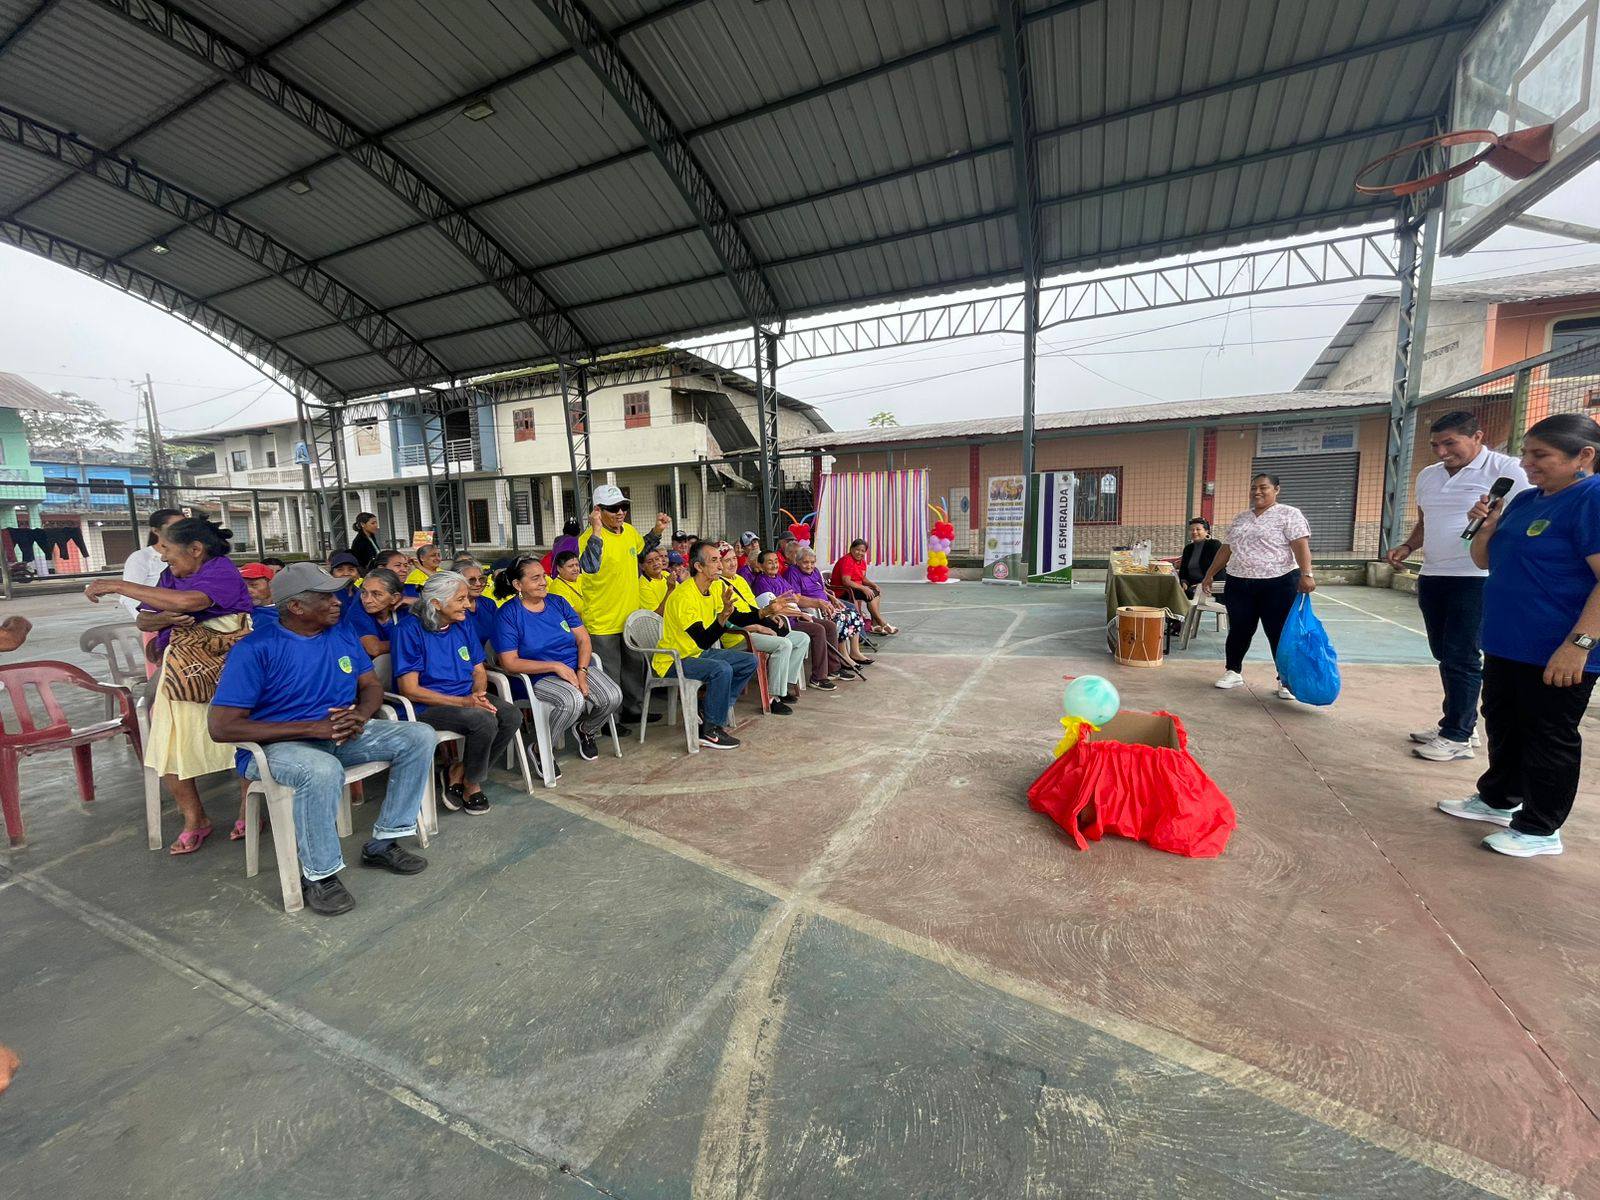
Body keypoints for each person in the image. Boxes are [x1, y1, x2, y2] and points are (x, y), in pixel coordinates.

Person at [209, 562, 435, 915]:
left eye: (337, 595)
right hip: (278, 748)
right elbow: (222, 727)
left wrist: (361, 715)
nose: (338, 602)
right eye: (326, 596)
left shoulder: (341, 635)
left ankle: (385, 841)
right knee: (322, 770)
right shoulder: (256, 649)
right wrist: (311, 728)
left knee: (419, 736)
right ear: (296, 606)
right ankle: (320, 875)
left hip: (340, 735)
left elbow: (370, 685)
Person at [1438, 413, 1600, 858]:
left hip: (1557, 648)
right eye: (1526, 453)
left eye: (1540, 455)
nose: (1527, 463)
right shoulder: (1527, 500)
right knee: (1504, 722)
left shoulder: (1591, 498)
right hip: (1508, 640)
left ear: (1584, 456)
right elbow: (1483, 560)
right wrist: (1487, 527)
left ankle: (1541, 828)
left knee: (1548, 734)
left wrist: (1578, 645)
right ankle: (1498, 799)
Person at [85, 517, 252, 854]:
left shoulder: (221, 570)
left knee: (245, 736)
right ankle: (195, 819)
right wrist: (162, 618)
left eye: (169, 551)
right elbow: (145, 618)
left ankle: (250, 810)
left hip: (231, 665)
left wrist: (118, 586)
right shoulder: (169, 576)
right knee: (166, 740)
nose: (163, 558)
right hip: (182, 669)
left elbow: (191, 602)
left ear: (196, 549)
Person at [1387, 411, 1531, 762]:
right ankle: (1460, 720)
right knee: (1443, 652)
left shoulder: (1508, 470)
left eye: (1450, 443)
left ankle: (1457, 736)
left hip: (1477, 578)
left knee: (1461, 655)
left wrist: (1492, 525)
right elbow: (1426, 521)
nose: (1442, 452)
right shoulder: (1429, 475)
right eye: (1435, 445)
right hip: (1434, 575)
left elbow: (1528, 518)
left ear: (1477, 437)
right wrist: (1408, 546)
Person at [392, 571, 520, 816]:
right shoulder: (408, 631)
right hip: (427, 705)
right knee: (483, 720)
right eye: (461, 599)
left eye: (467, 598)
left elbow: (478, 670)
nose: (468, 604)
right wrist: (465, 702)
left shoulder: (462, 623)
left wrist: (478, 695)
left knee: (510, 715)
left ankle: (461, 771)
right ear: (436, 603)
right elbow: (410, 690)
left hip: (465, 697)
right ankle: (473, 785)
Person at [494, 557, 623, 763]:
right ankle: (541, 750)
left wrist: (582, 671)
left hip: (575, 667)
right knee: (572, 701)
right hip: (536, 676)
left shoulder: (558, 603)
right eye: (535, 578)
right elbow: (509, 662)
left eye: (543, 576)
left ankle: (586, 729)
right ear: (518, 584)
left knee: (613, 696)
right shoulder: (508, 614)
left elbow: (583, 639)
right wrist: (555, 666)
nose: (543, 582)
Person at [1199, 472, 1314, 697]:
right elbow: (1226, 549)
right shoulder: (1241, 518)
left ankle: (1285, 680)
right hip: (1239, 582)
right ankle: (1233, 671)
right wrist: (1210, 574)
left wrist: (1306, 574)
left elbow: (1300, 545)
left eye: (1263, 487)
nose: (1257, 492)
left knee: (1278, 631)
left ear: (1276, 490)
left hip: (1278, 582)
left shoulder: (1289, 514)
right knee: (1239, 628)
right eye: (1254, 488)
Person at [578, 485, 670, 723]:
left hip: (629, 616)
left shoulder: (629, 531)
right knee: (610, 672)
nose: (620, 512)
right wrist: (596, 530)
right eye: (613, 508)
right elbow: (589, 566)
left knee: (633, 667)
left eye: (623, 506)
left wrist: (657, 531)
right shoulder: (588, 538)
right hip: (603, 620)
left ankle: (633, 710)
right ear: (598, 511)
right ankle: (611, 720)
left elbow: (641, 550)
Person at [655, 541, 758, 748]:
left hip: (697, 653)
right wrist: (722, 617)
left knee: (750, 661)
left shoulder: (715, 587)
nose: (720, 565)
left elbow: (737, 617)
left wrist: (766, 612)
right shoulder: (684, 596)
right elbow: (703, 640)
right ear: (698, 566)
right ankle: (710, 730)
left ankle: (711, 707)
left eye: (720, 560)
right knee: (722, 669)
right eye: (714, 560)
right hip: (674, 659)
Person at [717, 542, 809, 714]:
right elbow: (727, 619)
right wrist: (757, 627)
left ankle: (783, 686)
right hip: (740, 636)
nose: (733, 563)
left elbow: (752, 608)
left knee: (802, 638)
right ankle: (773, 698)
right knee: (783, 644)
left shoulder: (740, 580)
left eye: (734, 559)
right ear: (718, 564)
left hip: (755, 628)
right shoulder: (717, 585)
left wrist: (768, 614)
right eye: (726, 560)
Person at [752, 549, 841, 690]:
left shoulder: (779, 578)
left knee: (829, 626)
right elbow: (774, 610)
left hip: (796, 616)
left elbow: (795, 598)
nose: (774, 565)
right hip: (784, 623)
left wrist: (815, 604)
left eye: (776, 561)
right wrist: (799, 614)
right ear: (761, 566)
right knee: (818, 630)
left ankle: (833, 669)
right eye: (769, 562)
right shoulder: (761, 583)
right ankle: (818, 678)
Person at [792, 546, 873, 669]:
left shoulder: (815, 571)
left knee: (853, 613)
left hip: (826, 604)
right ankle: (843, 656)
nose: (809, 566)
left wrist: (832, 598)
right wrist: (818, 602)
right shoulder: (793, 573)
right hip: (814, 609)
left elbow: (822, 589)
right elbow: (797, 598)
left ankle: (855, 652)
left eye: (812, 562)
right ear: (797, 562)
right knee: (842, 618)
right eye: (805, 562)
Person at [118, 507, 183, 620]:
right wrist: (151, 620)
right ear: (156, 531)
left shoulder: (191, 554)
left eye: (185, 525)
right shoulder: (141, 558)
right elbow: (129, 597)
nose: (182, 530)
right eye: (175, 527)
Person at [830, 538, 898, 634]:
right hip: (843, 590)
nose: (860, 553)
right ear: (851, 549)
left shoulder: (862, 562)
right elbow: (846, 581)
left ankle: (875, 625)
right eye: (857, 550)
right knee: (870, 594)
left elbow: (863, 578)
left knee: (875, 592)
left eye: (862, 551)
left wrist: (872, 584)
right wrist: (864, 588)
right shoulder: (847, 560)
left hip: (854, 588)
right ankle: (881, 623)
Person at [342, 566, 409, 659]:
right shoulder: (357, 610)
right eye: (364, 592)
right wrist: (409, 642)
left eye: (376, 594)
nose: (367, 600)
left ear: (394, 598)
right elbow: (374, 649)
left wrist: (418, 602)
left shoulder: (405, 608)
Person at [457, 559, 501, 646]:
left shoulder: (488, 604)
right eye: (471, 580)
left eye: (481, 579)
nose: (478, 584)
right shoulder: (453, 609)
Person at [1176, 517, 1221, 598]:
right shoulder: (1188, 548)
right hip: (1192, 585)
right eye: (1191, 530)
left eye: (1198, 529)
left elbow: (1220, 569)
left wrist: (1202, 584)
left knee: (1187, 594)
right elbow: (1183, 570)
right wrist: (1184, 582)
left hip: (1209, 586)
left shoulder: (1214, 545)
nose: (1194, 532)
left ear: (1206, 531)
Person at [548, 549, 587, 616]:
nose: (576, 569)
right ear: (559, 569)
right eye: (570, 566)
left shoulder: (581, 577)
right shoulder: (558, 587)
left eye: (577, 565)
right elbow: (572, 614)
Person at [241, 562, 278, 630]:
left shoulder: (285, 614)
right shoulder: (236, 612)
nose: (247, 590)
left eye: (253, 585)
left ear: (270, 584)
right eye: (242, 586)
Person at [327, 551, 361, 617]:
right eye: (340, 570)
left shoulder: (363, 594)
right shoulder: (328, 596)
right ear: (332, 574)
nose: (346, 574)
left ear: (358, 574)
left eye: (351, 569)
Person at [639, 547, 670, 615]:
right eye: (650, 562)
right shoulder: (643, 585)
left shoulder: (666, 574)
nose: (655, 563)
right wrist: (670, 590)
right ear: (642, 566)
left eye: (657, 559)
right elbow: (655, 616)